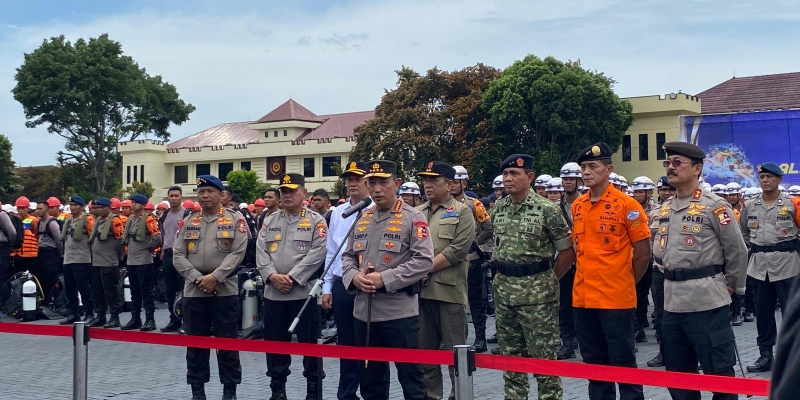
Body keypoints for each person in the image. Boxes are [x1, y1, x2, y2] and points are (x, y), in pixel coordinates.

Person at [658, 142, 747, 400]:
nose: (670, 168)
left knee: (719, 373)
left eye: (677, 163)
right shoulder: (665, 208)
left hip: (707, 302)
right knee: (678, 377)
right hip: (672, 303)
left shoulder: (714, 206)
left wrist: (734, 288)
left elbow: (737, 251)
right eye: (668, 163)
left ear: (697, 169)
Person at [341, 160, 432, 400]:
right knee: (371, 383)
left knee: (412, 381)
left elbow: (423, 261)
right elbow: (348, 256)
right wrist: (354, 277)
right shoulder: (362, 216)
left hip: (398, 312)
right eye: (372, 182)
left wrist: (385, 279)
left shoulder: (413, 217)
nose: (377, 189)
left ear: (397, 183)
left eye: (384, 182)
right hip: (364, 313)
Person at [490, 154, 574, 400]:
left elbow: (567, 252)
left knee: (543, 358)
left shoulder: (547, 209)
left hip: (538, 295)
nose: (508, 179)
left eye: (514, 174)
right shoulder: (499, 209)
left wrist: (548, 280)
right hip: (504, 291)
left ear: (529, 177)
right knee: (511, 356)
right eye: (505, 174)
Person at [572, 142, 651, 400]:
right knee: (594, 363)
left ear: (609, 169)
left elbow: (643, 253)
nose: (586, 172)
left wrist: (627, 282)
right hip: (583, 299)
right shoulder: (578, 206)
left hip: (615, 299)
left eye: (592, 166)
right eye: (583, 167)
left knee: (623, 361)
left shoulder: (627, 206)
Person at [173, 175, 246, 400]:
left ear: (220, 194)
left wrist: (215, 277)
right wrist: (197, 278)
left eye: (210, 192)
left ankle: (229, 392)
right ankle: (198, 392)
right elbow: (177, 254)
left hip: (225, 289)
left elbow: (238, 252)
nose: (205, 196)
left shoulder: (235, 219)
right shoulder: (189, 220)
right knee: (195, 345)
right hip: (194, 291)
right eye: (201, 192)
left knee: (227, 343)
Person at [256, 173, 328, 400]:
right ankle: (278, 390)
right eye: (283, 191)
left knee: (310, 346)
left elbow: (318, 253)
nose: (286, 195)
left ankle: (313, 391)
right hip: (274, 294)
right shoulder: (270, 220)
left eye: (291, 190)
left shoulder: (317, 220)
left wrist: (293, 277)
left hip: (303, 294)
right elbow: (260, 252)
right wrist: (272, 276)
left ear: (303, 192)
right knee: (275, 346)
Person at [416, 162, 476, 400]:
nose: (428, 185)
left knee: (455, 354)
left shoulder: (463, 212)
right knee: (425, 354)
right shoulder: (417, 212)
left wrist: (421, 269)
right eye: (425, 180)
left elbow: (457, 251)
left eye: (434, 180)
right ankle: (432, 396)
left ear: (450, 185)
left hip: (449, 293)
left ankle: (459, 395)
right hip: (420, 294)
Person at [741, 162, 800, 373]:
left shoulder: (792, 204)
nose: (765, 180)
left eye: (769, 177)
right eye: (762, 177)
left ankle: (792, 356)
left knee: (791, 313)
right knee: (763, 313)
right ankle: (766, 355)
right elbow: (744, 233)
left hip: (787, 264)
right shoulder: (750, 205)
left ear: (779, 180)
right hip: (759, 266)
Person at [321, 161, 369, 400]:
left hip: (369, 285)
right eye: (348, 179)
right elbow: (332, 251)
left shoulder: (375, 210)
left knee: (369, 343)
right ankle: (347, 394)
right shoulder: (338, 213)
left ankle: (372, 392)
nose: (351, 183)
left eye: (357, 179)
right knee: (347, 342)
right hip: (342, 284)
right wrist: (326, 287)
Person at [449, 165, 493, 353]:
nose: (451, 186)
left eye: (456, 182)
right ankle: (455, 338)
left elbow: (489, 227)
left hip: (471, 259)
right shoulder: (443, 204)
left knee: (475, 301)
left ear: (464, 183)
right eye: (449, 181)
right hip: (449, 260)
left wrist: (475, 242)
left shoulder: (474, 204)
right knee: (452, 301)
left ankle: (480, 338)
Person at [121, 194, 162, 331]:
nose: (132, 205)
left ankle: (150, 320)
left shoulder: (148, 219)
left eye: (135, 203)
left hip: (144, 260)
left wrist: (148, 248)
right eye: (132, 202)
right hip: (132, 260)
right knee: (134, 291)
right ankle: (135, 318)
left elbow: (157, 238)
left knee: (146, 291)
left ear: (143, 205)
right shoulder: (131, 220)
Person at [646, 176, 675, 368]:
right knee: (660, 313)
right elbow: (650, 238)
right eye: (663, 189)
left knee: (683, 315)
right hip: (659, 269)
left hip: (681, 271)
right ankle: (664, 352)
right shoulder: (655, 212)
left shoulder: (689, 209)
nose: (666, 193)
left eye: (669, 190)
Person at [557, 162, 582, 360]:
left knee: (583, 304)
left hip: (584, 262)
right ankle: (567, 342)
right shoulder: (556, 207)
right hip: (565, 261)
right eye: (564, 179)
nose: (567, 183)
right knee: (564, 303)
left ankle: (584, 338)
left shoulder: (587, 203)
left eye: (570, 179)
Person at [58, 196, 96, 324]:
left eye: (76, 205)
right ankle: (73, 313)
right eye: (71, 205)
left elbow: (93, 238)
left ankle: (89, 313)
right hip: (68, 258)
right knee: (69, 288)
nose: (73, 207)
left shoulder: (88, 219)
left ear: (82, 206)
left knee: (84, 287)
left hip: (82, 258)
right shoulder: (68, 219)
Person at [88, 197, 125, 328]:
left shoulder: (115, 221)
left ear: (109, 207)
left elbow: (120, 241)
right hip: (96, 262)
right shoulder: (98, 221)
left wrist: (117, 256)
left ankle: (115, 317)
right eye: (97, 208)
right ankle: (101, 316)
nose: (99, 210)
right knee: (97, 291)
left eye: (102, 207)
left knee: (111, 291)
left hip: (109, 262)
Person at [630, 176, 657, 343]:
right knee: (637, 292)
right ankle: (638, 326)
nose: (638, 195)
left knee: (647, 292)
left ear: (649, 192)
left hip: (653, 257)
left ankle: (642, 320)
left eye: (641, 191)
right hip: (635, 256)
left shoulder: (656, 210)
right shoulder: (630, 208)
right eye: (636, 192)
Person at [158, 186, 189, 332]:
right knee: (170, 288)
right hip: (168, 253)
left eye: (177, 195)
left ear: (181, 197)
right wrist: (163, 250)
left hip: (183, 253)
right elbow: (164, 234)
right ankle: (173, 319)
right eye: (171, 196)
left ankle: (186, 321)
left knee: (184, 288)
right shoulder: (164, 215)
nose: (174, 198)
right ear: (168, 198)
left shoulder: (187, 214)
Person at [36, 197, 64, 302]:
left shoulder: (52, 223)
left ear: (47, 209)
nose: (38, 211)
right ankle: (45, 300)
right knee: (41, 278)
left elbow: (58, 239)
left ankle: (57, 301)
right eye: (37, 209)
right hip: (41, 252)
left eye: (40, 209)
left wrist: (60, 253)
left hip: (51, 253)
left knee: (53, 278)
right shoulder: (39, 222)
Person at [13, 197, 38, 274]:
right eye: (19, 208)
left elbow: (37, 235)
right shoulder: (14, 220)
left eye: (23, 208)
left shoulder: (34, 220)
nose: (20, 210)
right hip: (17, 255)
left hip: (30, 255)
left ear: (28, 209)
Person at [0, 202, 17, 302]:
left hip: (2, 247)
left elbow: (12, 232)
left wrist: (10, 244)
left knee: (2, 276)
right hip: (3, 246)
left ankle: (4, 301)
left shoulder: (2, 214)